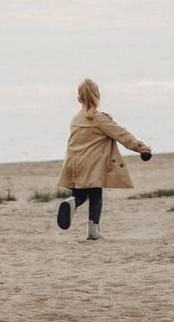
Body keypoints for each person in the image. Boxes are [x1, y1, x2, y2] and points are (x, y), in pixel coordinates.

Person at [54, 79, 152, 241]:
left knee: (79, 195)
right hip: (93, 167)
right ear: (98, 96)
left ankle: (71, 202)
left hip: (74, 166)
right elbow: (121, 134)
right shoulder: (100, 119)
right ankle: (93, 230)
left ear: (79, 99)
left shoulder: (75, 119)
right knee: (95, 195)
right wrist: (141, 148)